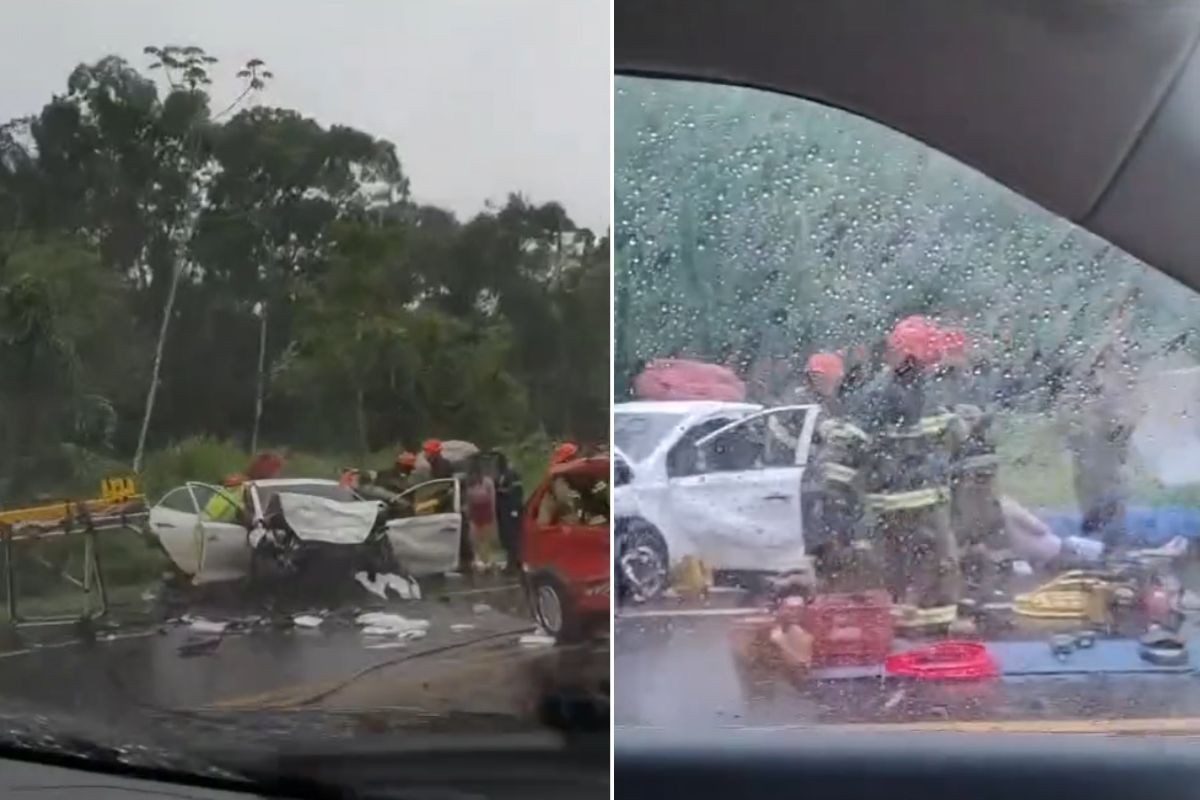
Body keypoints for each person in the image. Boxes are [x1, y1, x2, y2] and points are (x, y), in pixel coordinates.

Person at [857, 317, 967, 624]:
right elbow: (952, 436)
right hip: (922, 498)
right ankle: (936, 625)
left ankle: (900, 622)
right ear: (915, 357)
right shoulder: (923, 391)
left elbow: (861, 446)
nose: (931, 366)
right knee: (938, 561)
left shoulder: (875, 392)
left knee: (896, 563)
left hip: (887, 500)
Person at [493, 451, 525, 574]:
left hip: (512, 509)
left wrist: (502, 491)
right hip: (503, 510)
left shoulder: (512, 474)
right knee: (506, 536)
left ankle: (515, 563)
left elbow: (516, 491)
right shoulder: (500, 475)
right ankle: (513, 561)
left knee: (513, 537)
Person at [463, 458, 499, 568]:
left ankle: (488, 559)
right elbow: (468, 500)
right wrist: (468, 512)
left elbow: (493, 498)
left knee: (486, 537)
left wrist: (493, 513)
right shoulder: (469, 484)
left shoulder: (487, 482)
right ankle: (478, 558)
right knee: (475, 537)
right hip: (475, 512)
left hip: (486, 510)